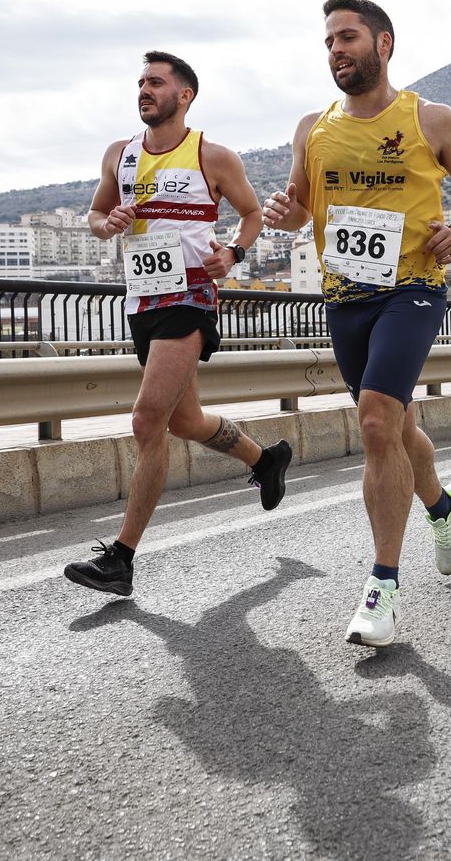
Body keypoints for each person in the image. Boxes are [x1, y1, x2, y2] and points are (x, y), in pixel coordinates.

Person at [263, 0, 451, 647]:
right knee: (396, 428)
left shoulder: (432, 119)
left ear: (383, 45)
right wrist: (286, 215)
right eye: (329, 40)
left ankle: (382, 589)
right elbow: (303, 208)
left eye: (348, 37)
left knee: (373, 422)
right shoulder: (313, 128)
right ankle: (442, 507)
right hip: (345, 298)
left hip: (411, 289)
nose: (336, 49)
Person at [64, 51, 293, 597]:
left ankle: (121, 558)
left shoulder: (211, 156)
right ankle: (267, 459)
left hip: (190, 298)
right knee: (184, 420)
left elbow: (253, 213)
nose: (144, 90)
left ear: (184, 95)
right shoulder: (119, 156)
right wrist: (108, 223)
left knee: (148, 420)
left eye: (156, 83)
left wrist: (233, 254)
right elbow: (96, 216)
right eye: (140, 82)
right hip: (143, 301)